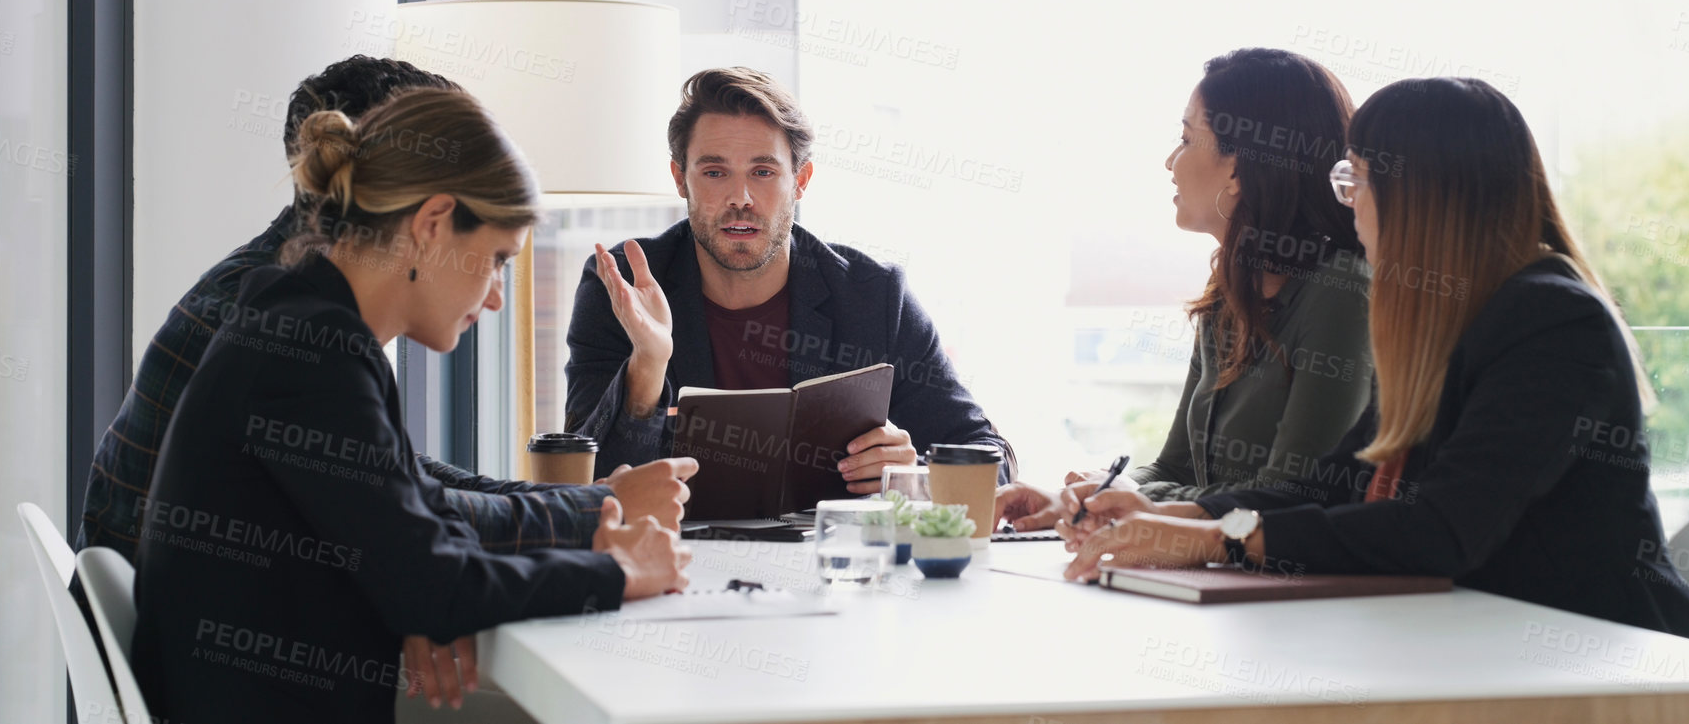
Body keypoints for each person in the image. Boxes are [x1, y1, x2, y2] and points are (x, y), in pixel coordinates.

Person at [1057, 77, 1689, 640]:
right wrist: (1178, 515)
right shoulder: (1454, 322)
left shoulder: (1552, 322)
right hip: (1481, 644)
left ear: (1422, 197)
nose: (1349, 205)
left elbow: (1440, 529)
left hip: (1606, 667)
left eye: (1355, 180)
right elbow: (1333, 482)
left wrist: (1221, 539)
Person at [132, 87, 692, 724]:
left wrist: (427, 580)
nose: (496, 298)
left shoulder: (298, 316)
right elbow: (430, 584)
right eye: (498, 260)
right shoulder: (314, 351)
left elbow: (415, 518)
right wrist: (620, 570)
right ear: (432, 225)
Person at [77, 56, 694, 567]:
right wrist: (593, 518)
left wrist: (580, 502)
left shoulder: (286, 295)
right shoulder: (286, 328)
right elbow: (403, 515)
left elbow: (395, 483)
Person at [565, 67, 1013, 493]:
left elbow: (992, 460)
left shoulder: (874, 298)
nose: (740, 198)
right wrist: (646, 367)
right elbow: (582, 482)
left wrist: (912, 474)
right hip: (673, 560)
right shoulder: (623, 287)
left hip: (830, 564)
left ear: (801, 181)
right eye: (715, 172)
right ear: (680, 179)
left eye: (763, 172)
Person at [996, 49, 1371, 530]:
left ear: (1237, 169)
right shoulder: (1228, 293)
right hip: (1220, 579)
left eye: (1187, 138)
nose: (1170, 161)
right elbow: (1173, 469)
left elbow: (1292, 498)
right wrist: (1075, 499)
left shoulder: (1341, 292)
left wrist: (1140, 502)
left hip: (1291, 591)